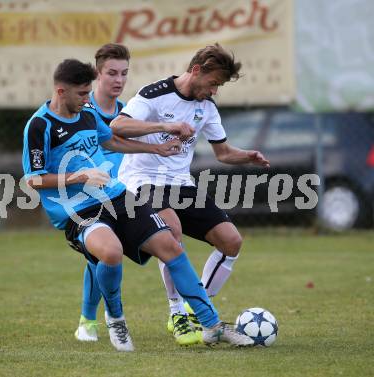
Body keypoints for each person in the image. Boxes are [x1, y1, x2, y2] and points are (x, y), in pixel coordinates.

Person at [22, 58, 254, 351]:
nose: (87, 99)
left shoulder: (88, 116)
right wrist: (79, 175)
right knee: (111, 252)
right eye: (82, 94)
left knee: (171, 246)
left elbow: (113, 142)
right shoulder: (39, 125)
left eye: (88, 92)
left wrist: (154, 147)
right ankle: (116, 321)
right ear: (60, 92)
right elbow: (34, 180)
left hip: (117, 196)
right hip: (77, 209)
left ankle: (212, 326)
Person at [111, 43, 270, 345]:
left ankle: (196, 308)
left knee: (231, 241)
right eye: (213, 83)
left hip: (181, 184)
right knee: (172, 231)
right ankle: (176, 314)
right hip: (142, 180)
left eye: (218, 86)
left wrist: (247, 156)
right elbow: (117, 126)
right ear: (197, 71)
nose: (214, 91)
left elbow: (222, 152)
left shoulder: (206, 108)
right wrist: (164, 125)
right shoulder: (154, 94)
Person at [74, 43, 131, 343]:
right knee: (101, 256)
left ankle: (178, 311)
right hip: (86, 200)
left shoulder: (128, 115)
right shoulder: (81, 112)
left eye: (124, 73)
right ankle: (89, 320)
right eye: (111, 73)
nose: (118, 80)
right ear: (97, 74)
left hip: (122, 196)